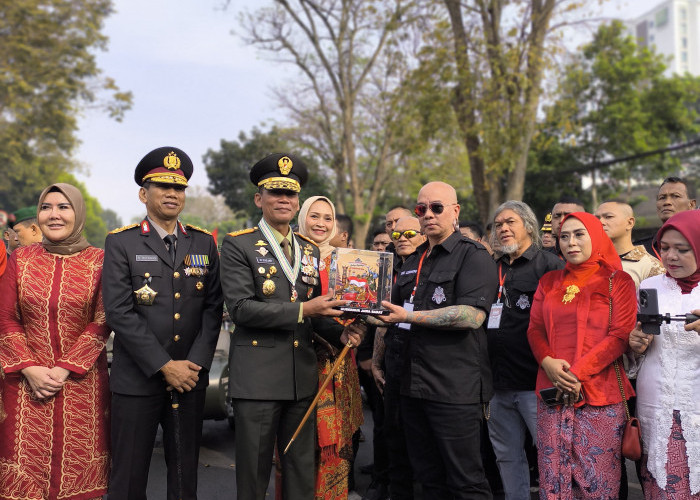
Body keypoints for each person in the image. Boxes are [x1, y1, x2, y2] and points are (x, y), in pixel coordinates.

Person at [220, 153, 357, 500]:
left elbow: (314, 314)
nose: (283, 200)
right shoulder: (239, 244)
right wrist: (303, 309)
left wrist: (340, 334)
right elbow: (241, 309)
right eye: (275, 193)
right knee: (253, 475)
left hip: (301, 379)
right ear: (259, 198)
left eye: (290, 195)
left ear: (297, 202)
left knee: (299, 470)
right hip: (258, 380)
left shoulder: (309, 250)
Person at [102, 146, 224, 500]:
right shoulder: (121, 242)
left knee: (186, 477)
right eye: (162, 187)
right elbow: (119, 312)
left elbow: (213, 308)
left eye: (179, 188)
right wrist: (163, 366)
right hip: (137, 380)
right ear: (144, 193)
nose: (172, 194)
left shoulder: (202, 242)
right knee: (128, 478)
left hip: (189, 379)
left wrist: (195, 365)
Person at [373, 181, 498, 499]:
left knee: (466, 481)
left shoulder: (474, 256)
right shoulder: (415, 260)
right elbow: (388, 312)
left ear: (455, 211)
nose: (428, 214)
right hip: (411, 387)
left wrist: (409, 317)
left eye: (436, 207)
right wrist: (355, 311)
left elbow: (473, 316)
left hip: (453, 390)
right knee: (429, 479)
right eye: (421, 209)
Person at [0, 183, 111, 499]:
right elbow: (6, 317)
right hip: (23, 386)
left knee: (79, 482)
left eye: (64, 207)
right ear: (38, 215)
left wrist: (64, 369)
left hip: (82, 385)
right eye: (47, 207)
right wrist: (30, 368)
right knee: (22, 480)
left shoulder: (101, 261)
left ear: (78, 213)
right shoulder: (21, 258)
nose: (54, 215)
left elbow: (103, 321)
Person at [527, 212, 637, 499]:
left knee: (597, 482)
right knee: (553, 478)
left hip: (599, 396)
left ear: (595, 236)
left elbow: (620, 336)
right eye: (564, 236)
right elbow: (535, 329)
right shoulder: (549, 281)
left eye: (579, 234)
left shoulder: (617, 280)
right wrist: (549, 362)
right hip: (552, 393)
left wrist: (575, 374)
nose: (570, 243)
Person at [487, 201, 563, 500]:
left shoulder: (551, 266)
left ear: (529, 226)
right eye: (498, 224)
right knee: (506, 456)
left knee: (550, 456)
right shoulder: (490, 267)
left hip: (537, 383)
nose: (503, 228)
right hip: (496, 382)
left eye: (510, 222)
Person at [628, 210, 700, 498]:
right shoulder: (649, 286)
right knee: (660, 486)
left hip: (695, 406)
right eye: (665, 248)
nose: (670, 256)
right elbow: (638, 351)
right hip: (656, 405)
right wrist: (635, 344)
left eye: (682, 249)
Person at [298, 195, 365, 499]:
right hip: (301, 363)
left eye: (328, 218)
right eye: (314, 216)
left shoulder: (346, 261)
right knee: (301, 448)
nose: (321, 224)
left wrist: (362, 324)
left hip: (340, 363)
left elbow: (362, 307)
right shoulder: (288, 257)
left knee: (338, 445)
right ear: (302, 218)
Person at [371, 215, 425, 500]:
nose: (401, 237)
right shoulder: (391, 265)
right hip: (394, 360)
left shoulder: (429, 264)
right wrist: (377, 360)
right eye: (396, 233)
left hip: (424, 367)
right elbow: (386, 319)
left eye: (409, 233)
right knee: (392, 433)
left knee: (421, 441)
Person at [595, 201, 665, 288]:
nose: (600, 222)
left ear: (630, 223)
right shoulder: (592, 261)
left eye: (608, 217)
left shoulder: (650, 266)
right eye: (597, 218)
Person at [636, 177, 696, 255]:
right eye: (662, 198)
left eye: (675, 196)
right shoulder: (641, 251)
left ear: (691, 205)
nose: (667, 202)